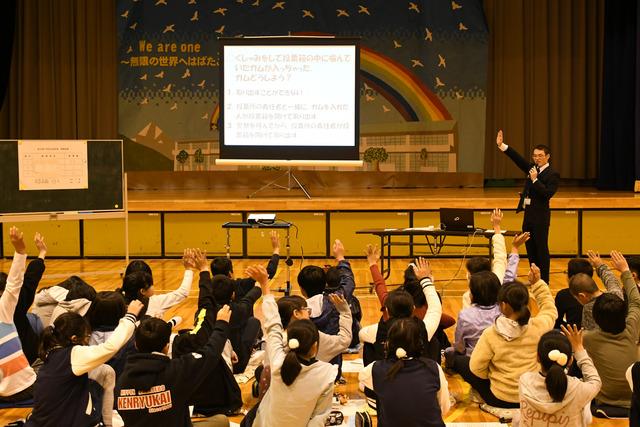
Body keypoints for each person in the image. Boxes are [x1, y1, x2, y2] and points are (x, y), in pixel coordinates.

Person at [456, 264, 557, 420]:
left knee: (459, 361)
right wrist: (538, 283)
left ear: (502, 305)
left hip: (499, 398)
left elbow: (476, 368)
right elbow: (550, 310)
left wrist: (493, 375)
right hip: (530, 396)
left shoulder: (491, 333)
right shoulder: (538, 326)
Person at [26, 301, 144, 427]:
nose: (87, 340)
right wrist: (130, 316)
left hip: (44, 419)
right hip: (58, 421)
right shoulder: (73, 355)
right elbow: (110, 347)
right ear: (74, 339)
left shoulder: (53, 353)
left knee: (105, 371)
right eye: (86, 337)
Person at [247, 265, 337, 427]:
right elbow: (318, 418)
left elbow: (273, 324)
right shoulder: (327, 373)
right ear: (315, 346)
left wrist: (265, 286)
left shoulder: (277, 362)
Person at [116, 306, 231, 427]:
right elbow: (210, 353)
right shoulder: (179, 371)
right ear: (167, 346)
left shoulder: (122, 379)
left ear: (136, 344)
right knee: (221, 421)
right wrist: (221, 325)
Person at [358, 317, 450, 427]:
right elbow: (444, 408)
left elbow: (362, 378)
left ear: (388, 344)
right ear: (420, 344)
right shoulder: (434, 368)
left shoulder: (375, 369)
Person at [495, 129, 560, 283]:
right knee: (530, 248)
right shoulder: (533, 169)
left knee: (541, 249)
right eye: (535, 156)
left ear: (547, 157)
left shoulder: (553, 174)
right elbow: (518, 160)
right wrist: (502, 145)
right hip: (528, 215)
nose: (537, 158)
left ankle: (544, 280)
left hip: (541, 217)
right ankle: (534, 278)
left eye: (540, 156)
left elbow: (547, 194)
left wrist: (535, 180)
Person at [583, 250, 640, 417]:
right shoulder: (632, 327)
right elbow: (636, 301)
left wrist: (602, 265)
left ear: (597, 319)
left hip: (604, 402)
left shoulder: (589, 338)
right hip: (633, 396)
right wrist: (625, 270)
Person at [514, 326, 601, 427]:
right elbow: (595, 381)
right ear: (570, 361)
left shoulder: (525, 381)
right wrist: (579, 348)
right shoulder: (578, 388)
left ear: (538, 357)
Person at [0, 227, 38, 402]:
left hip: (9, 393)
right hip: (27, 387)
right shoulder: (3, 311)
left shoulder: (2, 310)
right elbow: (13, 284)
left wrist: (20, 251)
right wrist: (20, 251)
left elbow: (13, 284)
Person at [122, 249, 195, 319]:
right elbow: (183, 292)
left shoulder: (117, 301)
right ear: (143, 291)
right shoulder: (156, 302)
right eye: (151, 284)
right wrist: (188, 269)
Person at [554, 258, 594, 330]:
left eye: (567, 272)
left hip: (573, 333)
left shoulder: (563, 295)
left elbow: (556, 322)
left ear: (572, 278)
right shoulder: (598, 294)